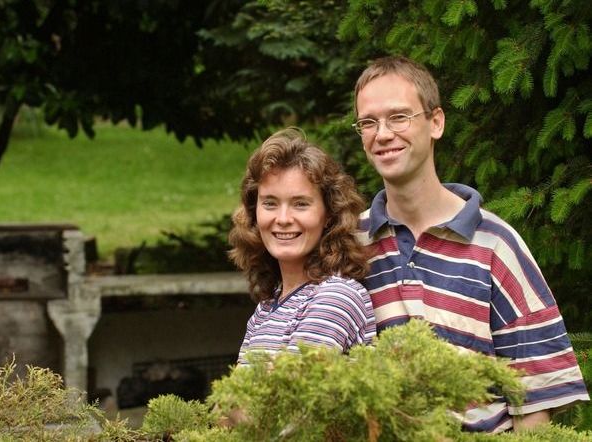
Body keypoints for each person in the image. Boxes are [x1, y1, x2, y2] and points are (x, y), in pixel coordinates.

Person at [352, 55, 589, 433]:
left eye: (399, 117)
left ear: (436, 123)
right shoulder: (349, 247)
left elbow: (536, 405)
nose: (382, 134)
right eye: (368, 122)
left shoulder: (497, 245)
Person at [229, 128, 376, 366]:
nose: (283, 218)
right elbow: (235, 399)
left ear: (328, 213)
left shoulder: (335, 297)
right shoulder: (267, 307)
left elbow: (290, 396)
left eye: (300, 204)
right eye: (270, 203)